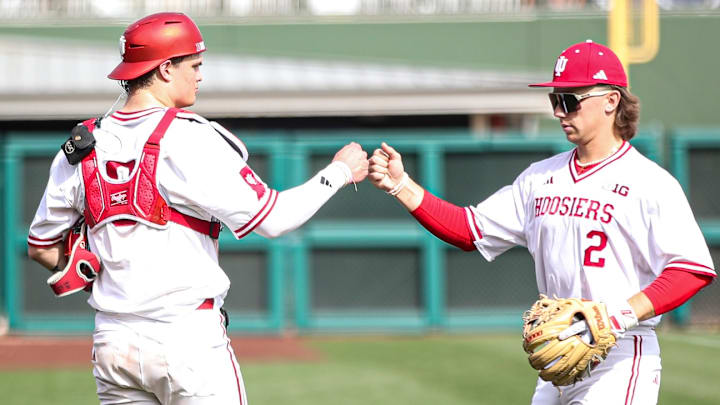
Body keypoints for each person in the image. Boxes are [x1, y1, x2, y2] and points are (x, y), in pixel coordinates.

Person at [27, 12, 368, 405]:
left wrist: (92, 271)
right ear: (166, 68)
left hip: (113, 342)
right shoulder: (188, 137)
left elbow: (41, 247)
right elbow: (274, 220)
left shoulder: (82, 146)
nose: (200, 75)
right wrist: (339, 173)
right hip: (185, 340)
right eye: (195, 65)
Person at [368, 40, 715, 404]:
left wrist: (616, 316)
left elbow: (691, 269)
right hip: (558, 355)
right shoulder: (539, 177)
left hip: (621, 353)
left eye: (570, 100)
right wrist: (402, 187)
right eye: (555, 100)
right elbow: (469, 230)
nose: (559, 111)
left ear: (611, 101)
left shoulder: (649, 182)